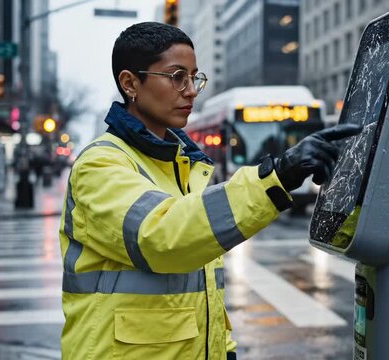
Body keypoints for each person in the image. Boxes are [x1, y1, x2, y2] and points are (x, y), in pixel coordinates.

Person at [59, 22, 360, 360]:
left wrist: (223, 349)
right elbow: (163, 237)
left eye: (194, 77)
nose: (190, 91)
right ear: (130, 83)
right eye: (177, 77)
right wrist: (276, 175)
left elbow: (197, 291)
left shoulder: (183, 166)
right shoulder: (99, 165)